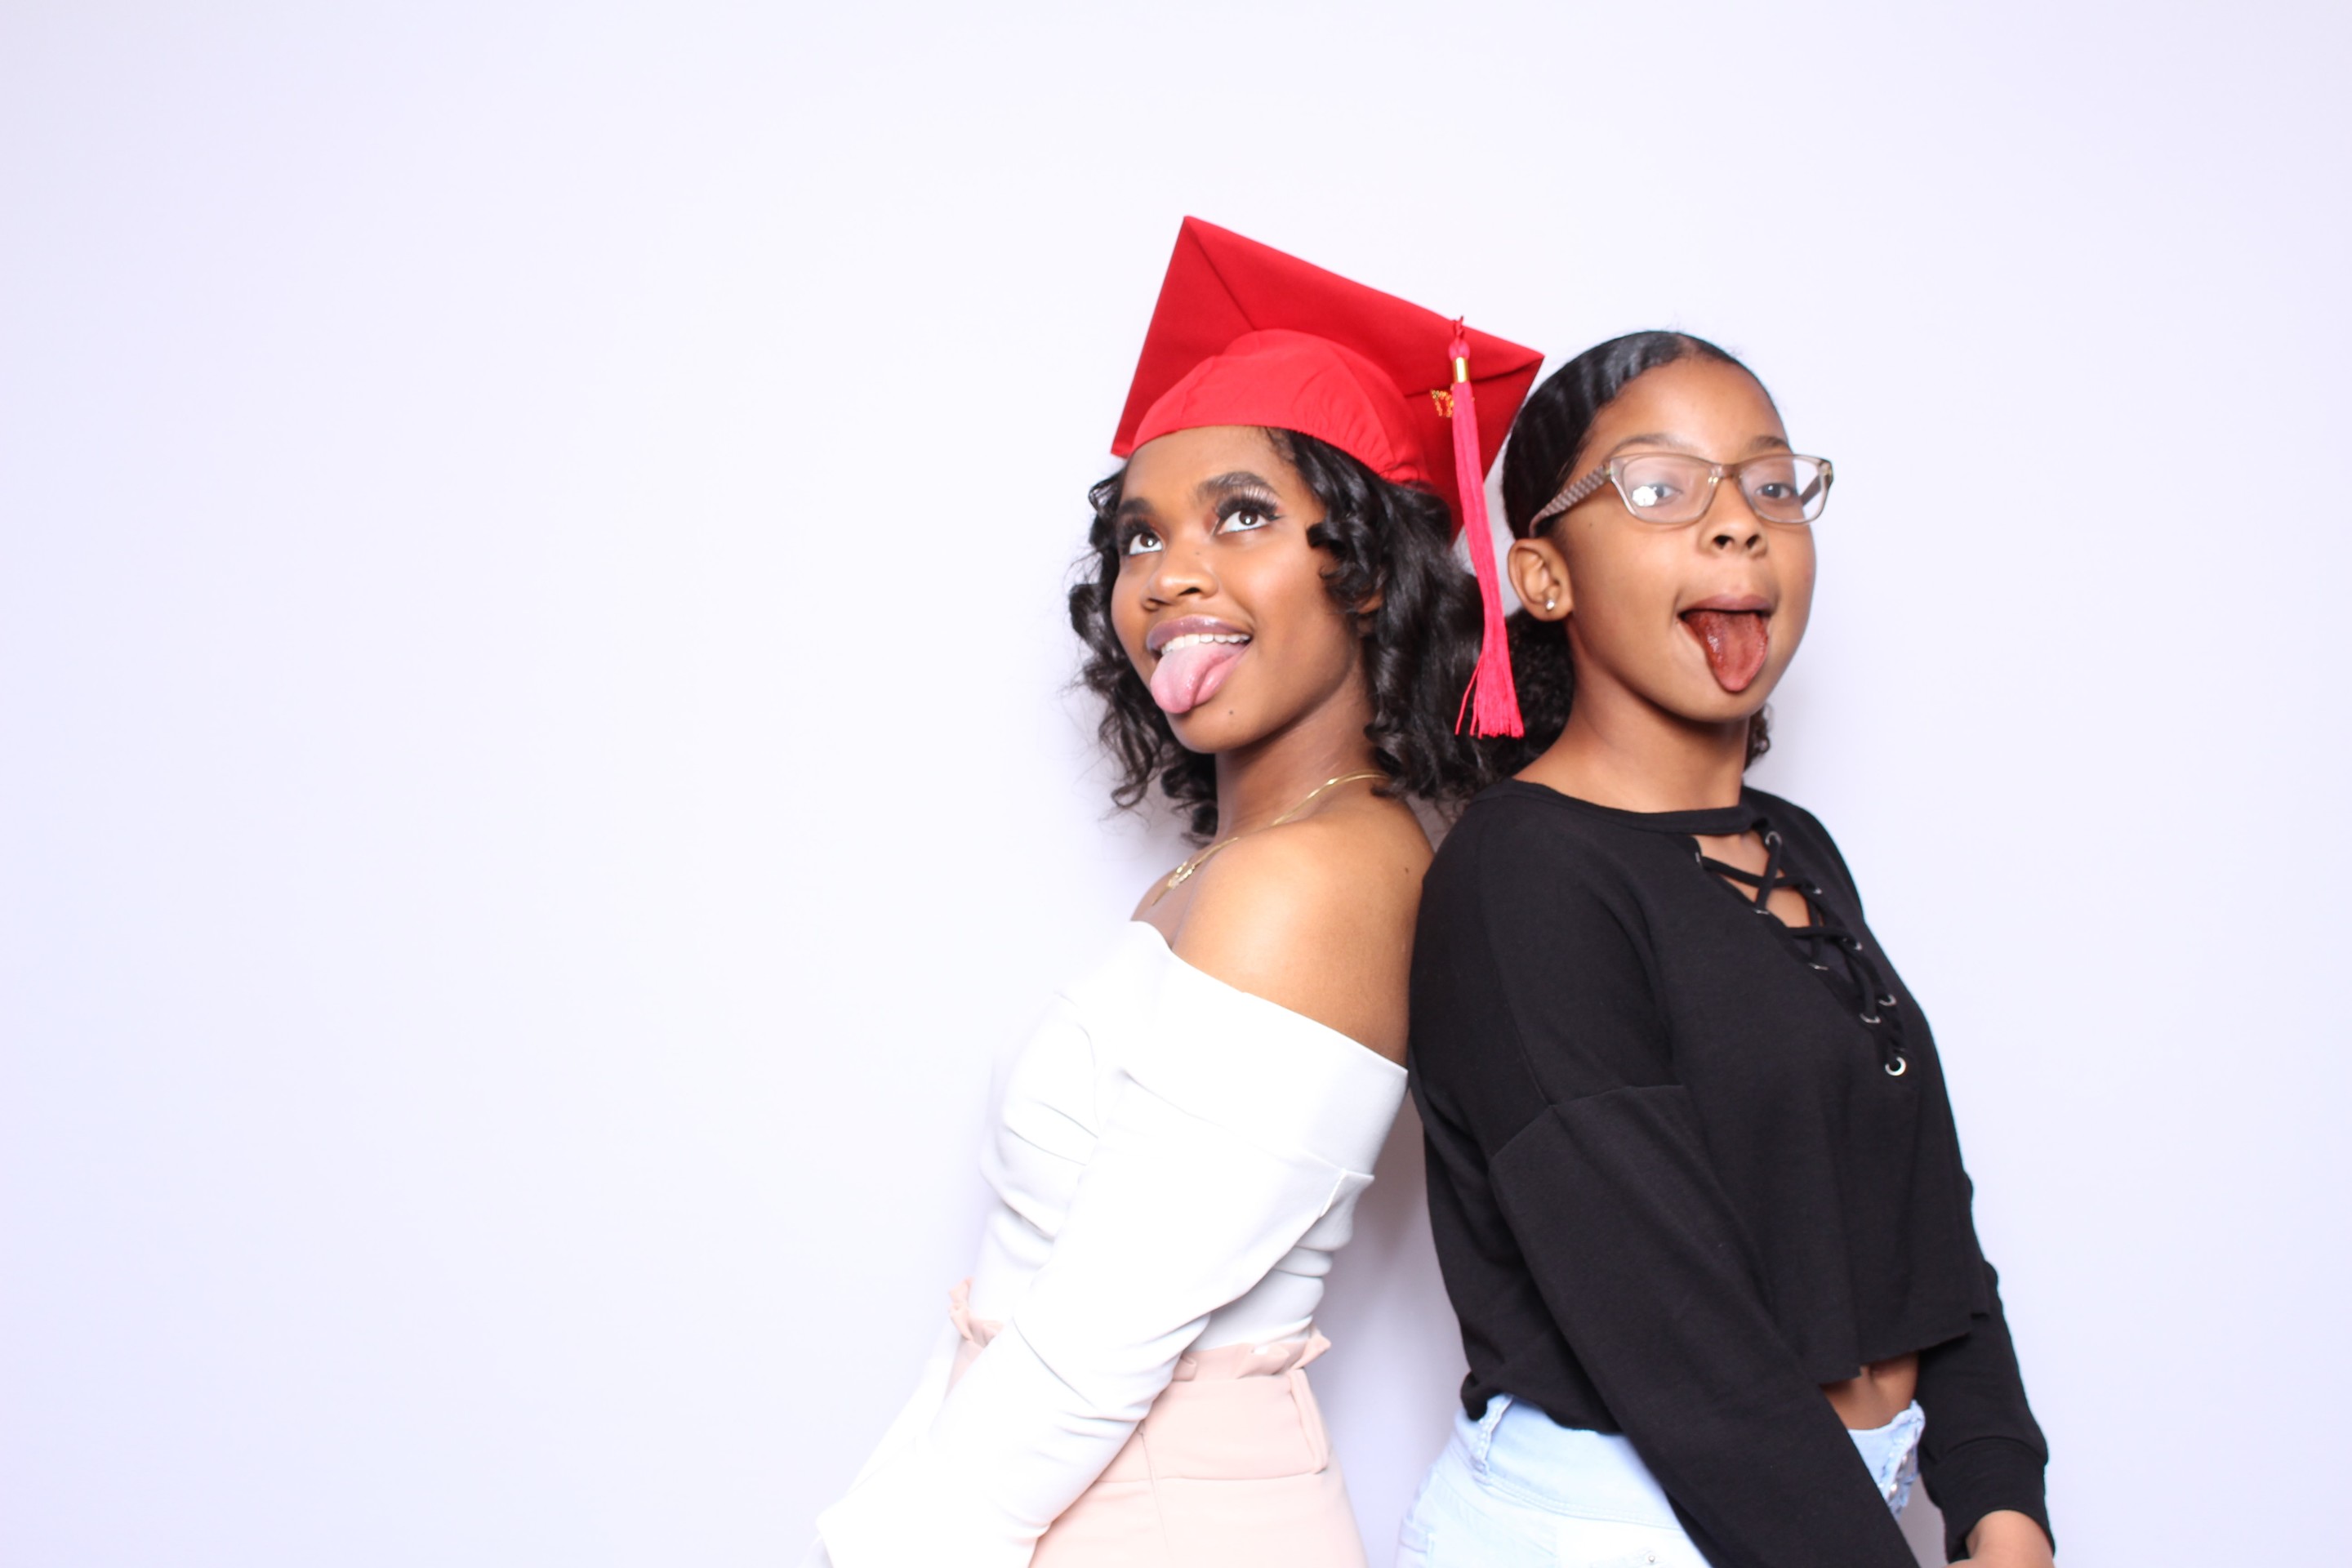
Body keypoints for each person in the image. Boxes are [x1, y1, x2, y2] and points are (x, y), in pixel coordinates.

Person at [807, 217, 1542, 1568]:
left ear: (1372, 570)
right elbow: (1026, 1305)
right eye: (1140, 537)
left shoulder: (1312, 878)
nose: (1171, 575)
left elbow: (1090, 1352)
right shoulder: (1238, 867)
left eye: (1242, 515)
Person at [1400, 332, 2055, 1568]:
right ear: (1543, 576)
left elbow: (1923, 1215)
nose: (1739, 522)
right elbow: (1674, 1332)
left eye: (1770, 484)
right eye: (1659, 486)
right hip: (1616, 1528)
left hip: (1825, 1511)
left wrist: (2001, 1503)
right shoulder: (1520, 877)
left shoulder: (1794, 845)